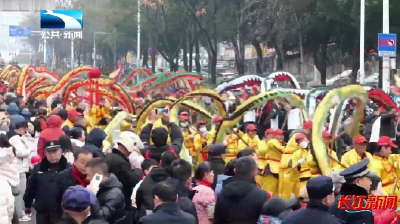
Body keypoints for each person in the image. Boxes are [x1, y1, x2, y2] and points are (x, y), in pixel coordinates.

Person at [24, 140, 70, 224]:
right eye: (49, 152)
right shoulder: (38, 168)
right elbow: (31, 188)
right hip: (42, 212)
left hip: (62, 213)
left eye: (55, 152)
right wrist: (27, 204)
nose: (52, 155)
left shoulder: (68, 169)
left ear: (61, 151)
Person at [214, 156, 269, 224]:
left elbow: (217, 219)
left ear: (235, 171)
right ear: (255, 173)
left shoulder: (223, 191)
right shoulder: (261, 195)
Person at [105, 132, 142, 224]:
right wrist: (138, 170)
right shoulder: (120, 162)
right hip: (121, 200)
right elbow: (132, 180)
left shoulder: (112, 156)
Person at [328, 159, 375, 224]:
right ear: (358, 181)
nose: (371, 182)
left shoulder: (338, 199)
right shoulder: (361, 207)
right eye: (369, 179)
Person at [85, 158, 126, 224]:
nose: (87, 178)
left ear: (99, 174)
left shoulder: (115, 194)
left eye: (89, 175)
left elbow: (102, 216)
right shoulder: (98, 186)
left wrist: (92, 196)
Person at [7, 122, 30, 222]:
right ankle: (20, 214)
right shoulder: (16, 139)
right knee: (19, 193)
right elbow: (19, 152)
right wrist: (28, 151)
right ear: (20, 129)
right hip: (18, 169)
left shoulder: (13, 138)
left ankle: (20, 213)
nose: (25, 132)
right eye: (24, 130)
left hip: (18, 168)